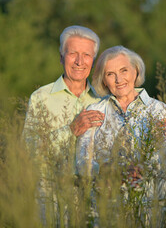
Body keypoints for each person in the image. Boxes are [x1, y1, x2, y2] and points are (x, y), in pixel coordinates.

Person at [76, 45, 166, 227]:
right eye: (110, 74)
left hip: (151, 207)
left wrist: (142, 169)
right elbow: (83, 162)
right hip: (105, 209)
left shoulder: (159, 110)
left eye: (124, 70)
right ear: (104, 80)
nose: (119, 79)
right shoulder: (93, 112)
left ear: (136, 71)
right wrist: (107, 170)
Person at [22, 25, 105, 227]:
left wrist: (164, 116)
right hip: (49, 199)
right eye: (73, 54)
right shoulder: (41, 97)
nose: (79, 61)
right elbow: (27, 151)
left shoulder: (104, 101)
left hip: (93, 201)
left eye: (86, 55)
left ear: (93, 61)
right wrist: (70, 131)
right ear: (61, 57)